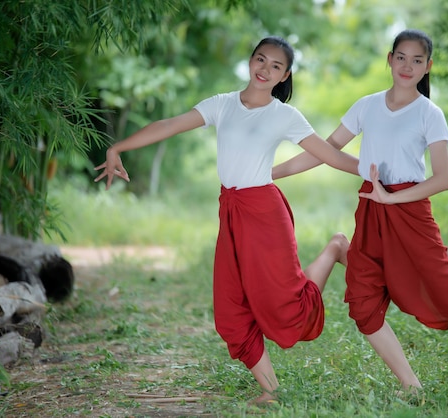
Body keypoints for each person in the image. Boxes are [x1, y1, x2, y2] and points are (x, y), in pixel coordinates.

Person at [94, 36, 359, 404]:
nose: (265, 70)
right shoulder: (222, 104)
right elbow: (169, 124)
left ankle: (334, 248)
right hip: (231, 212)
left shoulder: (284, 115)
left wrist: (375, 174)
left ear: (285, 76)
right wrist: (116, 147)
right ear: (250, 61)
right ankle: (271, 391)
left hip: (266, 214)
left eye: (276, 66)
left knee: (285, 306)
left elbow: (328, 154)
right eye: (260, 60)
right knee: (230, 310)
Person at [272, 29, 448, 396]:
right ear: (389, 59)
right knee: (364, 306)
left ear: (427, 67)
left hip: (410, 210)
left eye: (417, 60)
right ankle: (412, 386)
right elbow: (327, 150)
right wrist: (272, 173)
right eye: (401, 57)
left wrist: (392, 199)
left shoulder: (429, 114)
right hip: (373, 207)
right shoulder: (367, 106)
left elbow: (444, 178)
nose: (407, 66)